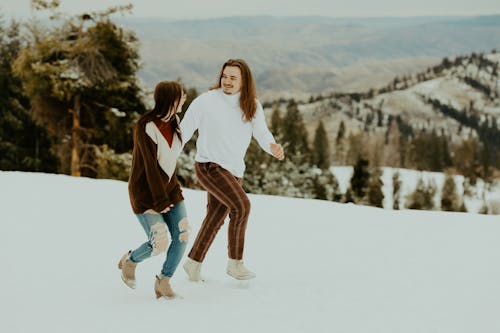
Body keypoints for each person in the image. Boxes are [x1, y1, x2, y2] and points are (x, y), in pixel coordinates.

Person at [180, 58, 285, 281]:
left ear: (244, 81)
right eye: (224, 76)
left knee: (215, 217)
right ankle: (235, 263)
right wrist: (163, 158)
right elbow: (184, 131)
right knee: (242, 206)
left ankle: (192, 263)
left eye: (232, 78)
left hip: (234, 171)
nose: (227, 81)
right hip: (209, 166)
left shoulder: (252, 105)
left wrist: (272, 146)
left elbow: (262, 133)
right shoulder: (206, 101)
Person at [118, 81, 189, 299]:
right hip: (145, 194)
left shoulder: (175, 122)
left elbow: (169, 162)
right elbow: (149, 167)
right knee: (159, 242)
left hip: (170, 191)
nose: (185, 98)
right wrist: (159, 200)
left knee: (182, 234)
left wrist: (169, 194)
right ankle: (130, 261)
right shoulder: (145, 126)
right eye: (181, 95)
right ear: (171, 99)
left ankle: (163, 282)